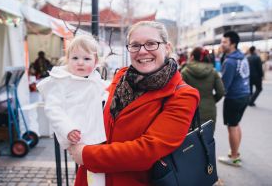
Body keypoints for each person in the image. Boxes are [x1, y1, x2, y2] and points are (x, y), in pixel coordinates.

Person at [68, 21, 200, 186]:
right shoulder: (121, 77)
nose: (142, 51)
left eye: (151, 44)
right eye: (135, 45)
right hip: (93, 178)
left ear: (167, 47)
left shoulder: (183, 95)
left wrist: (87, 155)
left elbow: (147, 151)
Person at [37, 35, 107, 186]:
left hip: (98, 135)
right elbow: (53, 108)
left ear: (96, 62)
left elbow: (104, 92)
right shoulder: (61, 81)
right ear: (67, 59)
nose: (80, 62)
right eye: (75, 58)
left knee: (98, 172)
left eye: (87, 59)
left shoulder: (94, 78)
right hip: (78, 135)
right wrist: (68, 129)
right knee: (93, 174)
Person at [218, 31, 250, 167]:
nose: (222, 44)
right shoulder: (241, 56)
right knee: (236, 125)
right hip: (245, 94)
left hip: (234, 97)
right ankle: (235, 152)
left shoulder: (230, 62)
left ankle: (234, 157)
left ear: (233, 44)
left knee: (232, 127)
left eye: (224, 42)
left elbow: (224, 85)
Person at [181, 47, 224, 131]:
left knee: (191, 140)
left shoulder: (185, 71)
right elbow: (221, 91)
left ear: (192, 57)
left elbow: (179, 93)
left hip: (190, 111)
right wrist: (211, 100)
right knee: (207, 139)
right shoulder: (213, 71)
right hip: (209, 110)